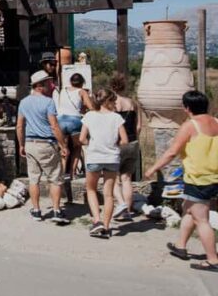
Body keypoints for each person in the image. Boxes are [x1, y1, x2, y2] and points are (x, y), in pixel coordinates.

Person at [145, 91, 218, 272]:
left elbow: (172, 152)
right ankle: (181, 245)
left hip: (199, 178)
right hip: (213, 176)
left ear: (187, 108)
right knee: (188, 209)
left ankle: (212, 260)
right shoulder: (216, 122)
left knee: (201, 219)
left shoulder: (190, 126)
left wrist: (153, 168)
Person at [17, 70, 70, 224]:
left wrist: (21, 144)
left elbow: (19, 126)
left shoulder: (24, 102)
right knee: (55, 179)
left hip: (30, 143)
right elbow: (54, 125)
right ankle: (56, 210)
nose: (50, 85)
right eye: (47, 82)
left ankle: (36, 210)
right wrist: (63, 145)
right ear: (40, 85)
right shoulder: (48, 102)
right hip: (46, 144)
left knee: (34, 179)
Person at [79, 89, 128, 238]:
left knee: (91, 189)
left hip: (94, 157)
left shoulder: (89, 116)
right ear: (108, 101)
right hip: (111, 158)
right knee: (109, 194)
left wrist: (92, 144)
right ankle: (106, 226)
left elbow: (81, 138)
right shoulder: (116, 118)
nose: (115, 104)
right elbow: (125, 140)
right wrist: (114, 146)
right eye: (113, 101)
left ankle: (97, 220)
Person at [111, 73, 141, 222]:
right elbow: (139, 126)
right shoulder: (133, 103)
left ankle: (120, 205)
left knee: (114, 177)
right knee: (127, 178)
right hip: (132, 142)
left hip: (117, 143)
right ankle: (128, 211)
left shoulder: (111, 104)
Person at [53, 72, 95, 179]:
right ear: (82, 83)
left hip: (61, 120)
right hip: (75, 121)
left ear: (71, 82)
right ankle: (72, 173)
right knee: (77, 147)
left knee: (64, 148)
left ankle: (62, 173)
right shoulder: (82, 92)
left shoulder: (63, 91)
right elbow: (91, 107)